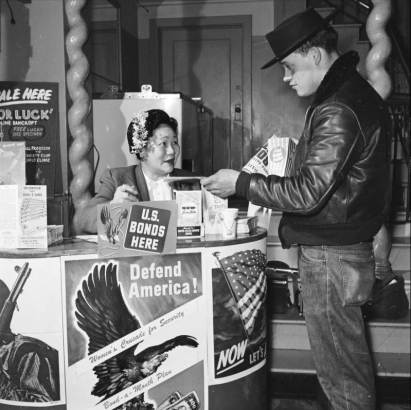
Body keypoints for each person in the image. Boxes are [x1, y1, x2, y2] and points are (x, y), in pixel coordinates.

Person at [201, 7, 391, 410]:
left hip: (330, 258)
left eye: (289, 67)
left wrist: (241, 182)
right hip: (342, 251)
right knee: (344, 370)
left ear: (316, 56)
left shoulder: (338, 107)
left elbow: (308, 193)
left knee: (342, 379)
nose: (286, 78)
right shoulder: (353, 95)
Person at [76, 109, 201, 234]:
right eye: (163, 143)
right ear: (142, 149)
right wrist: (113, 206)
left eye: (174, 142)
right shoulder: (116, 179)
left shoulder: (193, 182)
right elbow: (82, 220)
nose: (172, 151)